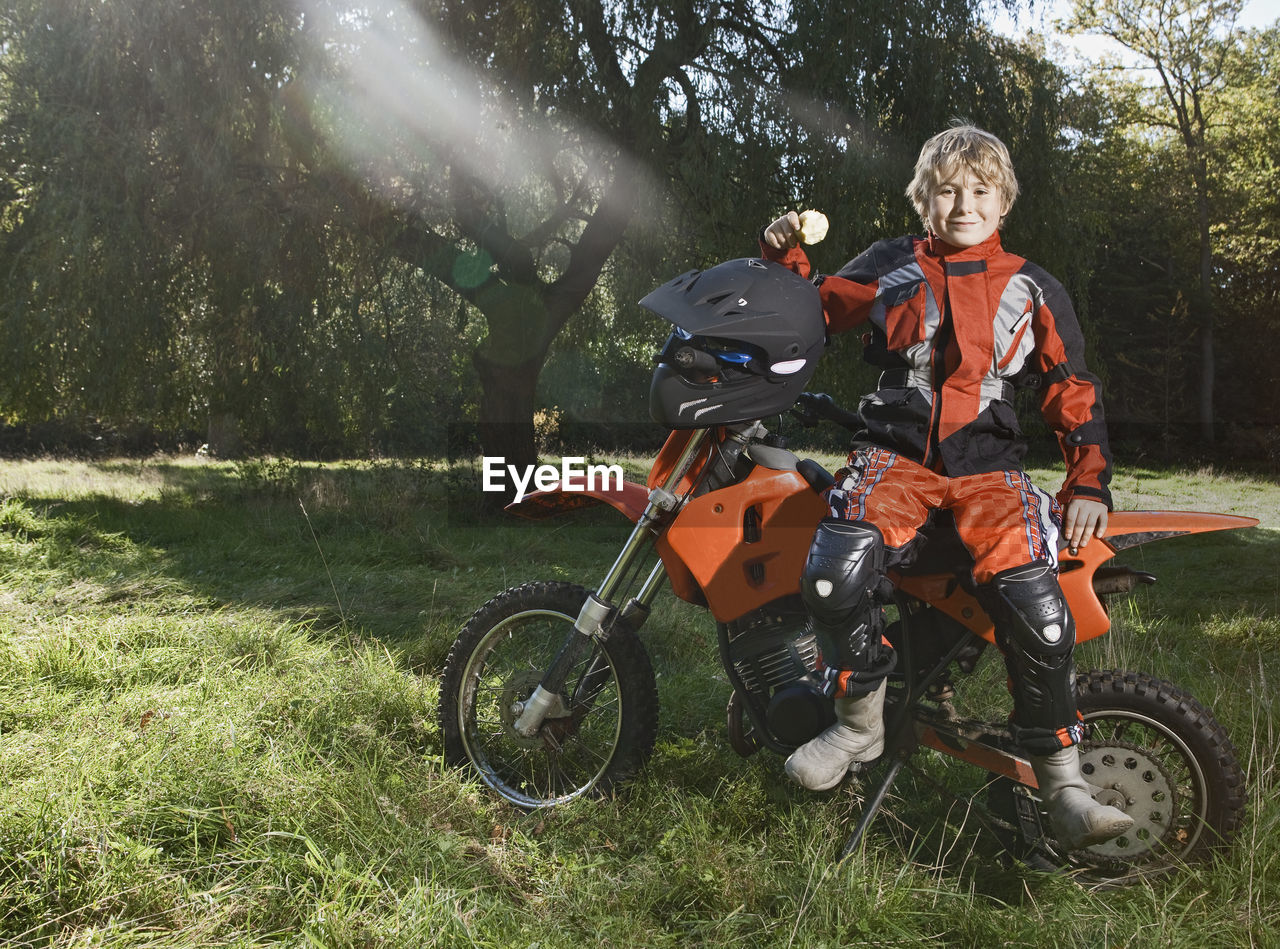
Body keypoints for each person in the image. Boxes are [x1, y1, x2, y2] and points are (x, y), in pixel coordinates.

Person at [759, 124, 1133, 850]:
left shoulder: (1033, 284)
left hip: (990, 470)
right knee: (834, 576)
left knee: (1042, 612)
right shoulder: (890, 264)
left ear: (1003, 203)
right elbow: (811, 308)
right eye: (948, 190)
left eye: (980, 191)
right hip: (894, 458)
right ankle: (858, 725)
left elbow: (1071, 388)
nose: (964, 203)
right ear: (924, 199)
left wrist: (1089, 482)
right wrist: (785, 255)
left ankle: (1064, 785)